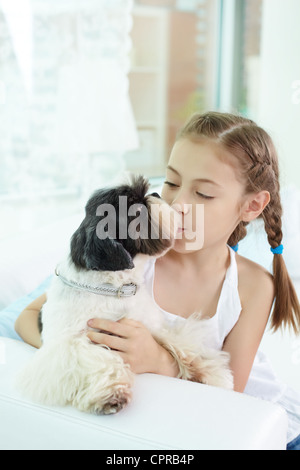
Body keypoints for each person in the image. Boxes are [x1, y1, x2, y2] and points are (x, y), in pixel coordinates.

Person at [15, 111, 300, 450]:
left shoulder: (253, 286)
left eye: (204, 194)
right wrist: (85, 350)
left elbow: (231, 395)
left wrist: (161, 362)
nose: (178, 204)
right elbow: (28, 318)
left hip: (247, 422)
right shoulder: (133, 259)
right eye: (172, 183)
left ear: (252, 205)